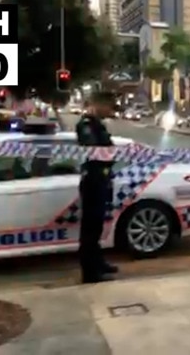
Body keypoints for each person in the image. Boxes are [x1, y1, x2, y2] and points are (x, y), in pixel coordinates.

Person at [76, 111, 119, 283]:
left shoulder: (96, 124)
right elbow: (96, 150)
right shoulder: (86, 125)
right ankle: (90, 272)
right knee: (90, 230)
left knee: (97, 227)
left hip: (101, 179)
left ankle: (98, 263)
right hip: (93, 181)